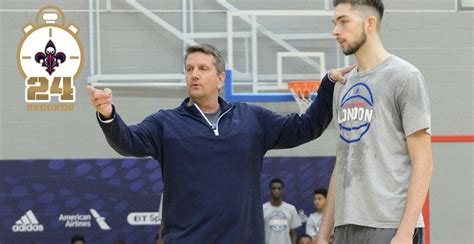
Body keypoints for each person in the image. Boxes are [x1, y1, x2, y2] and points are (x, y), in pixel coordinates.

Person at [88, 44, 352, 243]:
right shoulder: (165, 123)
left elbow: (305, 128)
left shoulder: (251, 119)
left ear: (221, 78)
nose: (194, 75)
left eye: (203, 69)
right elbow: (128, 142)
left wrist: (327, 85)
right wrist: (108, 114)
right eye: (189, 69)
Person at [317, 1, 433, 244]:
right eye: (334, 23)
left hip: (389, 224)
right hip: (346, 226)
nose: (335, 31)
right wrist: (324, 230)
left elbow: (423, 161)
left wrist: (404, 232)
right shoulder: (343, 85)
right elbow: (343, 162)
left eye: (344, 21)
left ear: (370, 23)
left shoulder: (404, 77)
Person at [263, 178, 301, 244]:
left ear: (283, 190)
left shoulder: (291, 209)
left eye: (279, 188)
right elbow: (259, 233)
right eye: (274, 188)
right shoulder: (262, 209)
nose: (276, 191)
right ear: (270, 190)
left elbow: (293, 233)